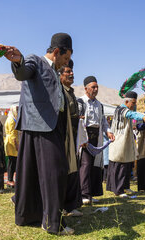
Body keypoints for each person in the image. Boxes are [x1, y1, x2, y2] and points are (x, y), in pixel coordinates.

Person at [4, 33, 74, 235]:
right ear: (57, 51)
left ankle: (29, 216)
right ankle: (52, 223)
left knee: (30, 173)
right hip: (40, 126)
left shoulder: (53, 70)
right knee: (55, 173)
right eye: (66, 58)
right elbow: (23, 72)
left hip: (48, 126)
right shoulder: (35, 60)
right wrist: (18, 61)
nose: (66, 63)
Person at [77, 76, 115, 205]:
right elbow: (78, 121)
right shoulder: (81, 102)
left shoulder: (99, 105)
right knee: (85, 165)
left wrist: (108, 131)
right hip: (85, 137)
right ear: (86, 88)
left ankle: (91, 194)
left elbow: (103, 121)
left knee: (94, 166)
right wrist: (82, 137)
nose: (96, 89)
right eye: (93, 87)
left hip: (96, 137)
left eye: (97, 87)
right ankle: (83, 194)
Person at [107, 91, 145, 197]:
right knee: (120, 165)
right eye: (133, 103)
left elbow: (133, 111)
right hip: (119, 141)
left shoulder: (127, 108)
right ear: (127, 101)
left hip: (126, 141)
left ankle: (125, 187)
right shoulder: (121, 109)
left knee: (127, 164)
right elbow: (132, 114)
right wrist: (144, 117)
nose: (134, 105)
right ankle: (118, 190)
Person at [59, 60, 83, 217]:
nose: (71, 74)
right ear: (60, 75)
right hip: (62, 139)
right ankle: (62, 206)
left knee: (73, 171)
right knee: (63, 172)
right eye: (67, 72)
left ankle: (71, 205)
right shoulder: (59, 92)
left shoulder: (71, 92)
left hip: (73, 138)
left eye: (72, 71)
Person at [4, 105, 20, 188]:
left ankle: (11, 179)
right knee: (12, 161)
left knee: (13, 161)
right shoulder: (11, 120)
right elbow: (12, 133)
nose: (17, 111)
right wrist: (16, 145)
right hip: (11, 142)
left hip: (12, 141)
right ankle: (10, 180)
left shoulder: (12, 118)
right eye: (16, 110)